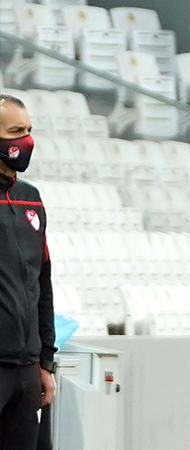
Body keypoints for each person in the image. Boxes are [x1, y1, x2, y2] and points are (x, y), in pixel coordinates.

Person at [0, 94, 57, 450]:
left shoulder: (31, 198)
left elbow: (42, 284)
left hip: (27, 371)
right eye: (15, 132)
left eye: (28, 130)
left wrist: (45, 362)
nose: (26, 140)